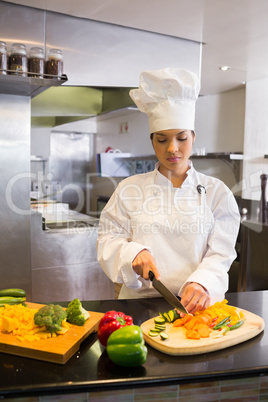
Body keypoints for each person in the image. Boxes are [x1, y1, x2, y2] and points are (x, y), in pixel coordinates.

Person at [97, 68, 240, 315]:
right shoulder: (129, 188)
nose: (173, 149)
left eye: (181, 138)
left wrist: (202, 281)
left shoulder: (217, 193)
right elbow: (107, 239)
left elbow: (221, 252)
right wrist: (133, 252)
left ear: (193, 138)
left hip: (197, 307)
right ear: (152, 141)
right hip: (139, 305)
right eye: (162, 140)